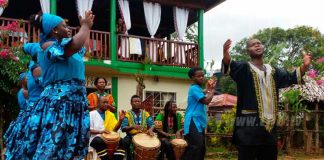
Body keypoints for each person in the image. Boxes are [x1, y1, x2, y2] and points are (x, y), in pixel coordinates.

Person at [8, 11, 95, 159]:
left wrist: (86, 28)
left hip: (75, 104)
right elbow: (74, 45)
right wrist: (85, 26)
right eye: (63, 25)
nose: (67, 28)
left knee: (72, 147)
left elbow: (81, 46)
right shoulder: (48, 46)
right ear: (54, 30)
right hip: (60, 104)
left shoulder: (68, 49)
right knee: (52, 147)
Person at [222, 38, 312, 160]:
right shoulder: (244, 68)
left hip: (270, 131)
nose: (257, 45)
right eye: (253, 45)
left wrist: (304, 66)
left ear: (263, 47)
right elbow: (230, 65)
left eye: (259, 43)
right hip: (248, 128)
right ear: (248, 51)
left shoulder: (274, 71)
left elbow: (291, 78)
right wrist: (225, 53)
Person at [182, 67, 216, 160]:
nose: (202, 77)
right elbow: (206, 101)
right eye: (199, 76)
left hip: (198, 122)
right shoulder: (194, 88)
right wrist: (212, 90)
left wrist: (208, 88)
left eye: (202, 75)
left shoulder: (197, 89)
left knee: (200, 148)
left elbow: (203, 92)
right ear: (193, 78)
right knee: (196, 146)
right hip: (193, 120)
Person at [121, 95, 155, 160]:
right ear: (131, 103)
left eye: (139, 101)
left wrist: (150, 129)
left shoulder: (145, 114)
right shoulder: (127, 114)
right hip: (131, 136)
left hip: (144, 136)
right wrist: (132, 127)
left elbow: (152, 124)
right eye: (135, 101)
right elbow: (123, 128)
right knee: (124, 142)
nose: (137, 103)